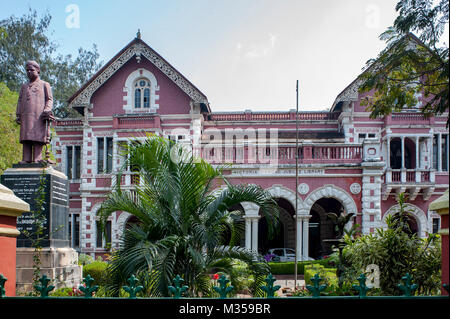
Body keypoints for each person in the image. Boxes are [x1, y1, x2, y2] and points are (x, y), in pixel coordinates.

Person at [16, 60, 54, 164]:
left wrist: (47, 109)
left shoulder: (44, 84)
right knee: (26, 137)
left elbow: (49, 99)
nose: (29, 72)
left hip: (39, 116)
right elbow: (19, 100)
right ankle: (26, 159)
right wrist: (18, 114)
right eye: (27, 70)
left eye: (31, 70)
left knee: (37, 137)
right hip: (25, 116)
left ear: (38, 71)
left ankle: (37, 158)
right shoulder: (24, 86)